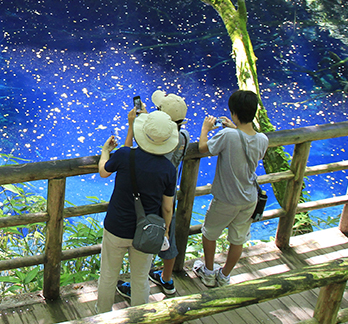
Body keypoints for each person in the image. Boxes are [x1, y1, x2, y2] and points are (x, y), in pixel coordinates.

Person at [96, 105, 176, 312]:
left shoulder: (123, 156)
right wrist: (165, 230)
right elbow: (167, 208)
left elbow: (104, 172)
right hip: (147, 231)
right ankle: (140, 317)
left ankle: (102, 316)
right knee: (140, 279)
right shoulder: (168, 169)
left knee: (107, 276)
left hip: (116, 227)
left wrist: (105, 151)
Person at [117, 90, 190, 299]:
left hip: (148, 196)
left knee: (142, 239)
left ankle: (136, 287)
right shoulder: (184, 136)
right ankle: (166, 279)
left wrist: (138, 124)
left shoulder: (155, 142)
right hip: (168, 194)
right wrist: (152, 119)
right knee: (168, 237)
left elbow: (139, 150)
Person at [192, 89, 268, 288]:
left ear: (234, 113)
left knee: (209, 233)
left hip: (226, 199)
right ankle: (224, 275)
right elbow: (249, 145)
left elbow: (203, 148)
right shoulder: (262, 139)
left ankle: (208, 272)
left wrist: (205, 129)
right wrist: (235, 128)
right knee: (238, 239)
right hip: (249, 198)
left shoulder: (227, 135)